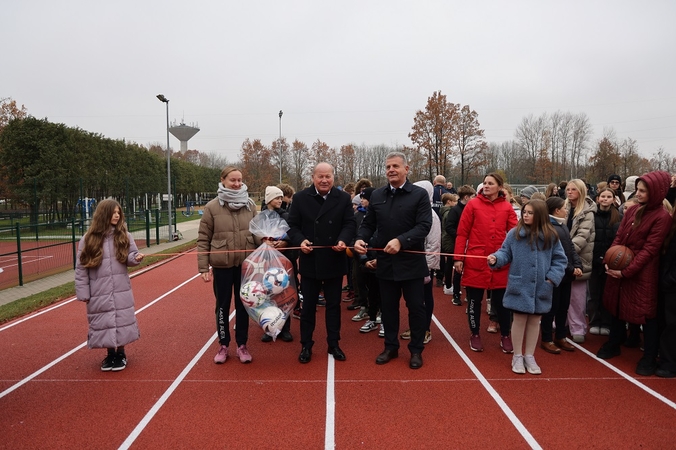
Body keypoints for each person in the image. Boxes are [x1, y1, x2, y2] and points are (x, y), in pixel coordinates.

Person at [354, 152, 432, 369]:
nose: (391, 170)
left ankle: (416, 350)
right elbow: (368, 224)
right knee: (388, 308)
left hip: (412, 263)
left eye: (395, 166)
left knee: (416, 308)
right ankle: (391, 347)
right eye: (388, 166)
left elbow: (424, 226)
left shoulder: (419, 195)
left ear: (407, 169)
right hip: (386, 263)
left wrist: (401, 240)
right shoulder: (377, 195)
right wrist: (361, 239)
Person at [597, 171, 672, 376]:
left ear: (655, 192)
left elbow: (650, 250)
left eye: (642, 191)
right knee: (616, 306)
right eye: (637, 190)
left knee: (645, 314)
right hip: (621, 265)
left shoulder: (662, 217)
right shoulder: (632, 211)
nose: (637, 194)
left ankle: (649, 356)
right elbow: (619, 237)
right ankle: (614, 343)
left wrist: (627, 271)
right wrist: (609, 259)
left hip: (643, 272)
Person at [287, 162, 356, 364]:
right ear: (313, 178)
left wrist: (343, 240)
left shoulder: (343, 198)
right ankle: (306, 345)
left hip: (334, 260)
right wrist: (300, 241)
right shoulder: (300, 198)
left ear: (333, 177)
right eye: (320, 176)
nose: (324, 180)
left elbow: (349, 223)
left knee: (334, 306)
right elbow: (291, 225)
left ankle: (334, 344)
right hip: (310, 261)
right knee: (308, 306)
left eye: (328, 176)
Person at [488, 200, 567, 374]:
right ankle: (517, 355)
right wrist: (496, 258)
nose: (525, 215)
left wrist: (551, 279)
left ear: (539, 215)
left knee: (534, 321)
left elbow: (560, 260)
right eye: (525, 212)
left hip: (542, 287)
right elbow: (505, 252)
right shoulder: (514, 234)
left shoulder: (551, 236)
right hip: (520, 284)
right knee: (519, 319)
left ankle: (529, 355)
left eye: (530, 213)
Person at [198, 166, 261, 364]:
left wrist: (267, 245)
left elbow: (257, 233)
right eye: (232, 180)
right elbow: (203, 239)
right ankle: (223, 345)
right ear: (223, 180)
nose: (236, 184)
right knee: (222, 306)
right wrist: (203, 267)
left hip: (245, 266)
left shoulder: (250, 205)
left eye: (239, 180)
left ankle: (242, 345)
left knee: (244, 305)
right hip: (222, 266)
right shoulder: (212, 207)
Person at [75, 199, 144, 372]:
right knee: (104, 321)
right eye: (113, 212)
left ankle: (120, 353)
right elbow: (81, 268)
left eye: (118, 212)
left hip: (120, 288)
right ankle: (110, 354)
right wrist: (83, 292)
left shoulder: (124, 236)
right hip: (99, 290)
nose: (117, 215)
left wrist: (135, 258)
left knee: (120, 319)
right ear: (104, 214)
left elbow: (130, 256)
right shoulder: (88, 239)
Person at [454, 173, 518, 353]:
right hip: (476, 260)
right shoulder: (473, 204)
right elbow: (462, 233)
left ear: (500, 186)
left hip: (500, 262)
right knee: (474, 301)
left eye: (491, 183)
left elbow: (515, 234)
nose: (486, 186)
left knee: (503, 302)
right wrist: (458, 257)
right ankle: (474, 334)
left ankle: (505, 335)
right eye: (484, 183)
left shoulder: (507, 207)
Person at [399, 180, 440, 345]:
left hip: (424, 266)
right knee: (413, 300)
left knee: (424, 298)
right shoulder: (415, 211)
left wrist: (428, 268)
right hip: (412, 264)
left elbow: (434, 244)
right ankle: (416, 327)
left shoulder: (431, 215)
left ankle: (425, 329)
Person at [540, 196, 583, 354]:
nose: (567, 210)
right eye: (564, 208)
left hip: (567, 275)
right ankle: (546, 338)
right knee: (551, 308)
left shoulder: (562, 226)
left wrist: (577, 264)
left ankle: (560, 336)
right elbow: (559, 255)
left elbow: (570, 248)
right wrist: (572, 268)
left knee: (563, 307)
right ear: (556, 210)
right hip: (555, 275)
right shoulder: (549, 228)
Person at [259, 186, 295, 344]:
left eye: (281, 198)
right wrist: (264, 241)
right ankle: (269, 327)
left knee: (284, 293)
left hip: (283, 260)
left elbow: (293, 233)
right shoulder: (261, 217)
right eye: (276, 198)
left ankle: (285, 327)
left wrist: (285, 242)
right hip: (267, 260)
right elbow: (255, 235)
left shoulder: (286, 215)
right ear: (268, 200)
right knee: (268, 294)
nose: (280, 200)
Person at [564, 179, 596, 343]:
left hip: (579, 259)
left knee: (577, 296)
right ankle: (561, 322)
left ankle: (577, 327)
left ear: (581, 191)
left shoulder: (587, 212)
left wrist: (564, 253)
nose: (569, 192)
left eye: (573, 189)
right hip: (563, 257)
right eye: (568, 189)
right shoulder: (564, 208)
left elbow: (582, 237)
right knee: (561, 293)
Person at [587, 188, 621, 336]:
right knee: (594, 293)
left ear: (614, 199)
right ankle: (595, 321)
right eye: (603, 196)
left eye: (609, 196)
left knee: (608, 294)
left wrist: (611, 259)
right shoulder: (591, 216)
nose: (605, 199)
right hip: (594, 260)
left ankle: (606, 322)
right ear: (598, 199)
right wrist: (595, 257)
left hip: (611, 262)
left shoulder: (618, 217)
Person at [444, 185, 475, 306]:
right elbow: (449, 227)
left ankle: (468, 294)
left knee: (470, 270)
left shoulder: (472, 209)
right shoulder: (455, 210)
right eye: (473, 196)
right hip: (458, 244)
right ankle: (456, 294)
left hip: (471, 244)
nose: (475, 198)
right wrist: (460, 236)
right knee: (458, 270)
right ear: (466, 197)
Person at [657, 208, 676, 378]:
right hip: (667, 284)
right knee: (668, 323)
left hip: (671, 283)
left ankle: (669, 363)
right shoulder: (671, 226)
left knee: (672, 325)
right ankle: (667, 360)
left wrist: (669, 279)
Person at [440, 192, 458, 296]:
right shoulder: (448, 213)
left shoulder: (445, 211)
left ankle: (447, 284)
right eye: (454, 201)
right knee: (450, 262)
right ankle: (448, 285)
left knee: (449, 262)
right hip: (448, 239)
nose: (456, 203)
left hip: (446, 238)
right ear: (449, 202)